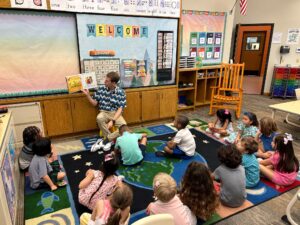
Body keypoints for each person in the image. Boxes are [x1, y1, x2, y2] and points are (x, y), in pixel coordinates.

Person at [82, 72, 127, 144]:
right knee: (99, 118)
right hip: (104, 112)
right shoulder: (101, 89)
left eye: (107, 81)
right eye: (105, 80)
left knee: (125, 128)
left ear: (113, 83)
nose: (104, 82)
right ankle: (110, 139)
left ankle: (108, 139)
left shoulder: (121, 92)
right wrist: (87, 95)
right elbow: (94, 103)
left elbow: (120, 109)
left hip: (115, 114)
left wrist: (113, 121)